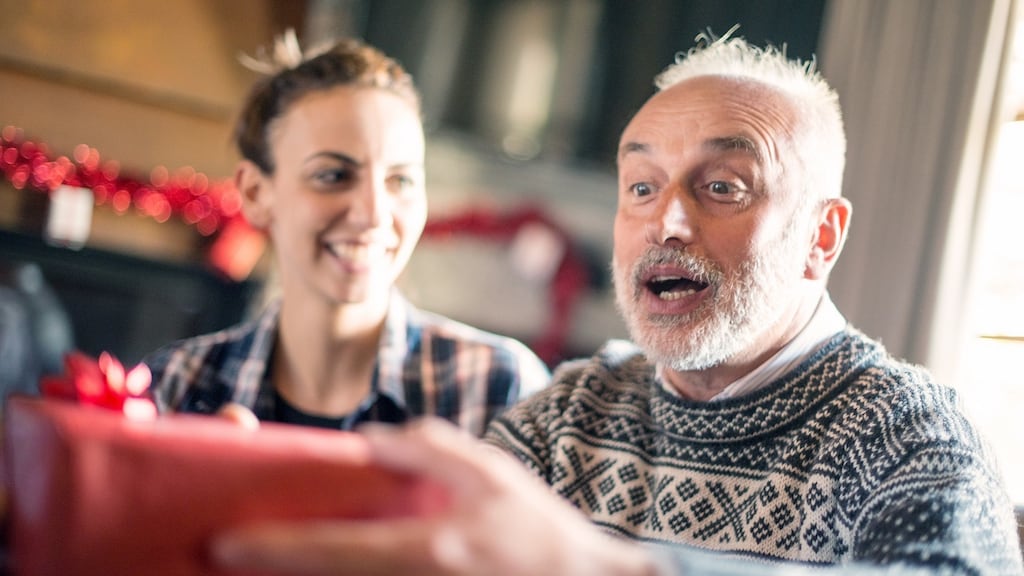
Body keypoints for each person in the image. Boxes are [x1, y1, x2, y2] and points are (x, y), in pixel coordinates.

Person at [207, 34, 1024, 575]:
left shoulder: (912, 441)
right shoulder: (567, 418)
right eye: (641, 185)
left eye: (722, 187)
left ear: (822, 235)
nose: (666, 219)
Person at [142, 31, 550, 437]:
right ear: (255, 193)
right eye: (333, 176)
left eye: (401, 181)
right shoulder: (178, 386)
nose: (374, 214)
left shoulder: (501, 388)